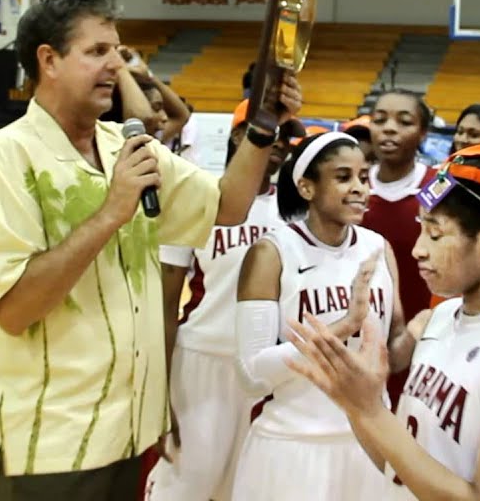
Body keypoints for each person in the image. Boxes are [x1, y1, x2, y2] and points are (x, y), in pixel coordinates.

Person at [0, 0, 302, 500]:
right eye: (97, 51)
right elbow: (13, 309)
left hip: (128, 432)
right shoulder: (7, 160)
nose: (116, 65)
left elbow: (225, 208)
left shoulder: (124, 146)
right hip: (54, 443)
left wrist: (261, 127)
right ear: (48, 60)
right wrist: (112, 211)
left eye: (118, 51)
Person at [285, 141, 480, 500]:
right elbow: (399, 468)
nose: (418, 249)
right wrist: (356, 403)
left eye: (435, 233)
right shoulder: (441, 316)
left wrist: (370, 410)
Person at [231, 131, 411, 500]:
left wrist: (426, 332)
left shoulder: (378, 247)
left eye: (364, 176)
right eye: (343, 177)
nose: (360, 187)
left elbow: (390, 355)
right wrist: (343, 326)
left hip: (372, 444)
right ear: (307, 188)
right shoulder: (272, 252)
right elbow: (251, 376)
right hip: (293, 443)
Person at [143, 100, 302, 501]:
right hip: (200, 363)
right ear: (238, 135)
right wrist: (157, 397)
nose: (280, 143)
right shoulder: (200, 197)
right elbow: (164, 306)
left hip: (264, 371)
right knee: (182, 487)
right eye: (271, 132)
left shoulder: (297, 214)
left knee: (245, 491)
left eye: (285, 134)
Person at [361, 89, 436, 400]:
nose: (389, 128)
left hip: (427, 336)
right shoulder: (354, 185)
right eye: (380, 120)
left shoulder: (439, 186)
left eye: (404, 121)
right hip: (360, 339)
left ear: (423, 133)